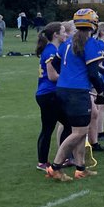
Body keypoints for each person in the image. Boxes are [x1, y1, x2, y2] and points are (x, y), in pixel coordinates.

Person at [46, 8, 104, 181]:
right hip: (77, 92)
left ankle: (80, 168)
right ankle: (55, 167)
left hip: (63, 90)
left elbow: (56, 63)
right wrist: (102, 92)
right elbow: (94, 74)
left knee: (80, 130)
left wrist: (68, 75)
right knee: (78, 132)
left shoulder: (66, 43)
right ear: (94, 25)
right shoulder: (91, 44)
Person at [34, 22, 64, 170]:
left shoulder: (53, 49)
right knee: (51, 127)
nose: (66, 34)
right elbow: (52, 76)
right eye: (63, 32)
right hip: (49, 94)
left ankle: (54, 159)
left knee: (59, 126)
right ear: (56, 35)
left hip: (48, 93)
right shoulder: (51, 51)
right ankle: (45, 161)